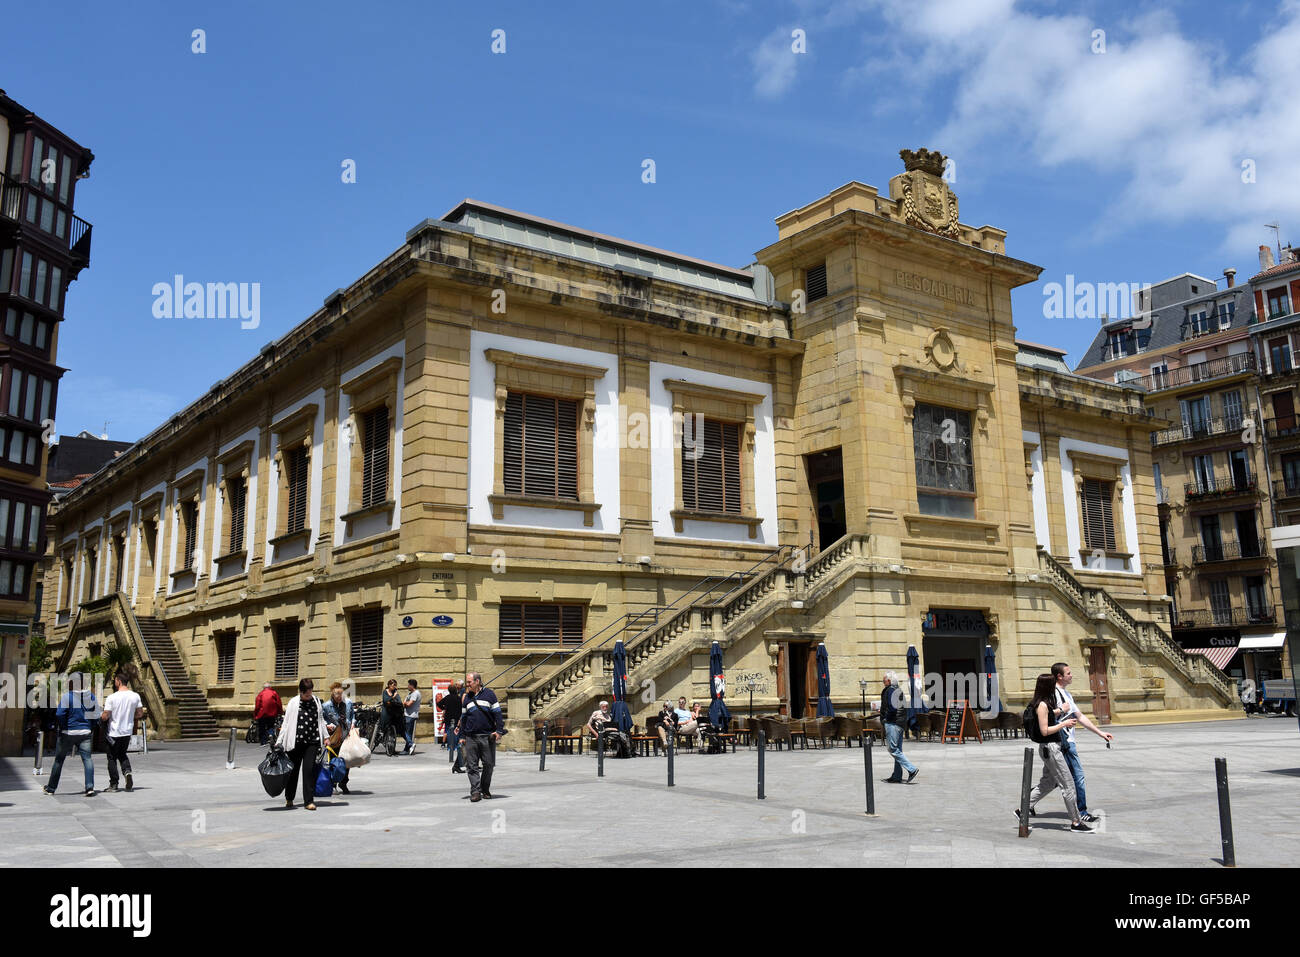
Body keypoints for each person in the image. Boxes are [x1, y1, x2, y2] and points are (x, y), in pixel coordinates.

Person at [1016, 672, 1093, 833]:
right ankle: (1076, 822)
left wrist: (1059, 710)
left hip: (1049, 748)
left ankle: (1022, 809)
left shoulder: (1042, 703)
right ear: (1048, 687)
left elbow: (1048, 716)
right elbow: (1045, 730)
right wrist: (1064, 724)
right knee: (1068, 784)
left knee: (1049, 783)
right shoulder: (1043, 704)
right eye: (1052, 685)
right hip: (1050, 748)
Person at [1050, 661, 1112, 824]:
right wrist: (1061, 712)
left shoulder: (1066, 694)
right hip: (1064, 742)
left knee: (1050, 781)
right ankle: (1082, 811)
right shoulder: (1054, 694)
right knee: (1078, 776)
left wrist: (1100, 733)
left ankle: (1027, 805)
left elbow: (1080, 716)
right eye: (1068, 673)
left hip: (1066, 741)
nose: (1071, 675)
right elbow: (1047, 715)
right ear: (1060, 676)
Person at [275, 677, 329, 810]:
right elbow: (286, 724)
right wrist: (279, 741)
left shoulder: (316, 701)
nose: (309, 695)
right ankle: (289, 798)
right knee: (293, 772)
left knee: (309, 771)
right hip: (295, 742)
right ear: (301, 691)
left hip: (312, 741)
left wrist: (326, 736)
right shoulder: (293, 702)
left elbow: (321, 720)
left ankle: (309, 801)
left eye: (310, 692)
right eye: (306, 694)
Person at [455, 672, 505, 802]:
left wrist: (499, 731)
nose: (467, 685)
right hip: (471, 737)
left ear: (477, 682)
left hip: (487, 736)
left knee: (489, 764)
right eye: (467, 682)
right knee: (471, 766)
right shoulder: (467, 698)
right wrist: (462, 735)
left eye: (469, 682)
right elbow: (463, 718)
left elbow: (498, 714)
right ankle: (475, 791)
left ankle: (485, 787)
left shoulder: (490, 695)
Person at [44, 678, 99, 797]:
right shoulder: (91, 697)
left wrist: (64, 725)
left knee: (59, 760)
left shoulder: (67, 696)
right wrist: (90, 726)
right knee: (87, 759)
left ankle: (51, 788)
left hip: (68, 732)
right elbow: (96, 715)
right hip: (85, 732)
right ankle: (89, 787)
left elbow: (59, 714)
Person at [101, 670, 142, 793]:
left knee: (112, 758)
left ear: (118, 681)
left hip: (114, 733)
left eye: (115, 681)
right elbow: (140, 713)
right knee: (122, 754)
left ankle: (114, 784)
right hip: (127, 731)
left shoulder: (112, 697)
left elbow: (106, 716)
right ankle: (127, 772)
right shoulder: (135, 696)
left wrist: (101, 716)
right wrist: (129, 717)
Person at [881, 672, 919, 783]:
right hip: (900, 723)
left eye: (884, 680)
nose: (883, 682)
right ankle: (897, 776)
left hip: (893, 723)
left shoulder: (891, 690)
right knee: (898, 750)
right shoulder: (898, 690)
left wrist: (885, 719)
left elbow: (893, 708)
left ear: (889, 680)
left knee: (893, 749)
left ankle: (911, 769)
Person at [321, 681, 355, 795]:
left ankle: (344, 783)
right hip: (334, 738)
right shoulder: (326, 706)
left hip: (346, 736)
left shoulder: (349, 703)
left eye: (341, 694)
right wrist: (326, 725)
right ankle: (333, 784)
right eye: (337, 694)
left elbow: (352, 716)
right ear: (332, 694)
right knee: (334, 762)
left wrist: (353, 724)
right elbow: (321, 719)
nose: (339, 696)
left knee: (347, 762)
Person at [437, 679, 465, 772]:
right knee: (455, 732)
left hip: (448, 718)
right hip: (456, 718)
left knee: (449, 731)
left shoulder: (447, 698)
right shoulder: (458, 698)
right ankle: (455, 746)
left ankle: (450, 746)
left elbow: (439, 704)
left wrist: (445, 707)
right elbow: (460, 708)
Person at [379, 678, 403, 744]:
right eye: (393, 685)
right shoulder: (385, 692)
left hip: (393, 710)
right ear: (389, 685)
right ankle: (382, 733)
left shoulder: (395, 693)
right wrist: (393, 697)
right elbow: (385, 700)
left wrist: (395, 697)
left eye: (395, 685)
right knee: (384, 719)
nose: (395, 686)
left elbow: (399, 701)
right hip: (386, 710)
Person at [402, 679, 422, 755]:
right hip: (409, 715)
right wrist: (405, 703)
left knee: (403, 731)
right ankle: (406, 749)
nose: (407, 686)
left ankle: (411, 743)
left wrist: (405, 703)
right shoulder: (411, 693)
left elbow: (408, 704)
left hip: (410, 715)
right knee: (408, 733)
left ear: (411, 685)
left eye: (408, 685)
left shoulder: (415, 693)